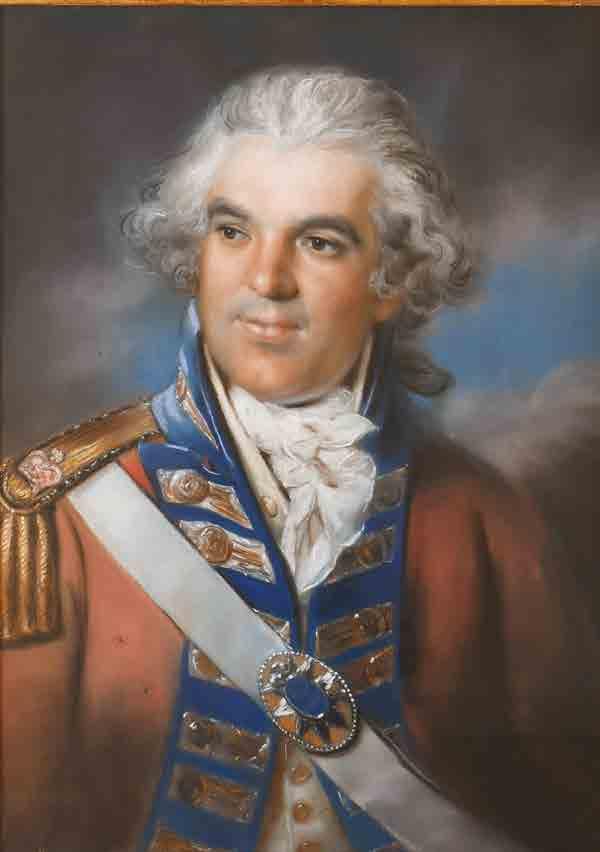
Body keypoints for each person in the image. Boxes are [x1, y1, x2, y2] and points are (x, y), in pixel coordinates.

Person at [1, 67, 598, 852]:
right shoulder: (56, 519)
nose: (266, 280)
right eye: (233, 232)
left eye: (319, 243)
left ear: (390, 281)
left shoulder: (481, 516)